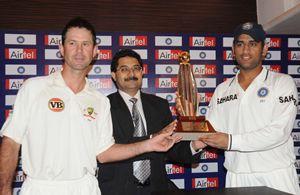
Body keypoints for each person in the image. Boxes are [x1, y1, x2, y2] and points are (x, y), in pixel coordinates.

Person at [0, 17, 180, 195]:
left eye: (86, 44)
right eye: (72, 43)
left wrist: (149, 144)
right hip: (42, 188)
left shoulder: (99, 100)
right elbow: (11, 141)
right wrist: (4, 189)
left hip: (86, 187)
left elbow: (104, 152)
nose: (79, 50)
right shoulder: (34, 88)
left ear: (95, 51)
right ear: (61, 49)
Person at [187, 22, 299, 194]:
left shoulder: (282, 82)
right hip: (236, 175)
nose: (245, 50)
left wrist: (231, 141)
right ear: (233, 50)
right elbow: (211, 130)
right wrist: (187, 127)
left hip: (276, 174)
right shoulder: (222, 89)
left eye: (252, 44)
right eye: (240, 44)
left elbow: (279, 132)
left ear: (264, 50)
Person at [98, 49, 206, 195]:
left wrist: (195, 144)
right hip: (117, 189)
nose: (131, 74)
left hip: (157, 188)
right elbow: (109, 149)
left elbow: (171, 148)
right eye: (124, 69)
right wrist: (152, 138)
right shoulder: (103, 105)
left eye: (136, 69)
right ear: (114, 75)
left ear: (142, 72)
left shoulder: (159, 105)